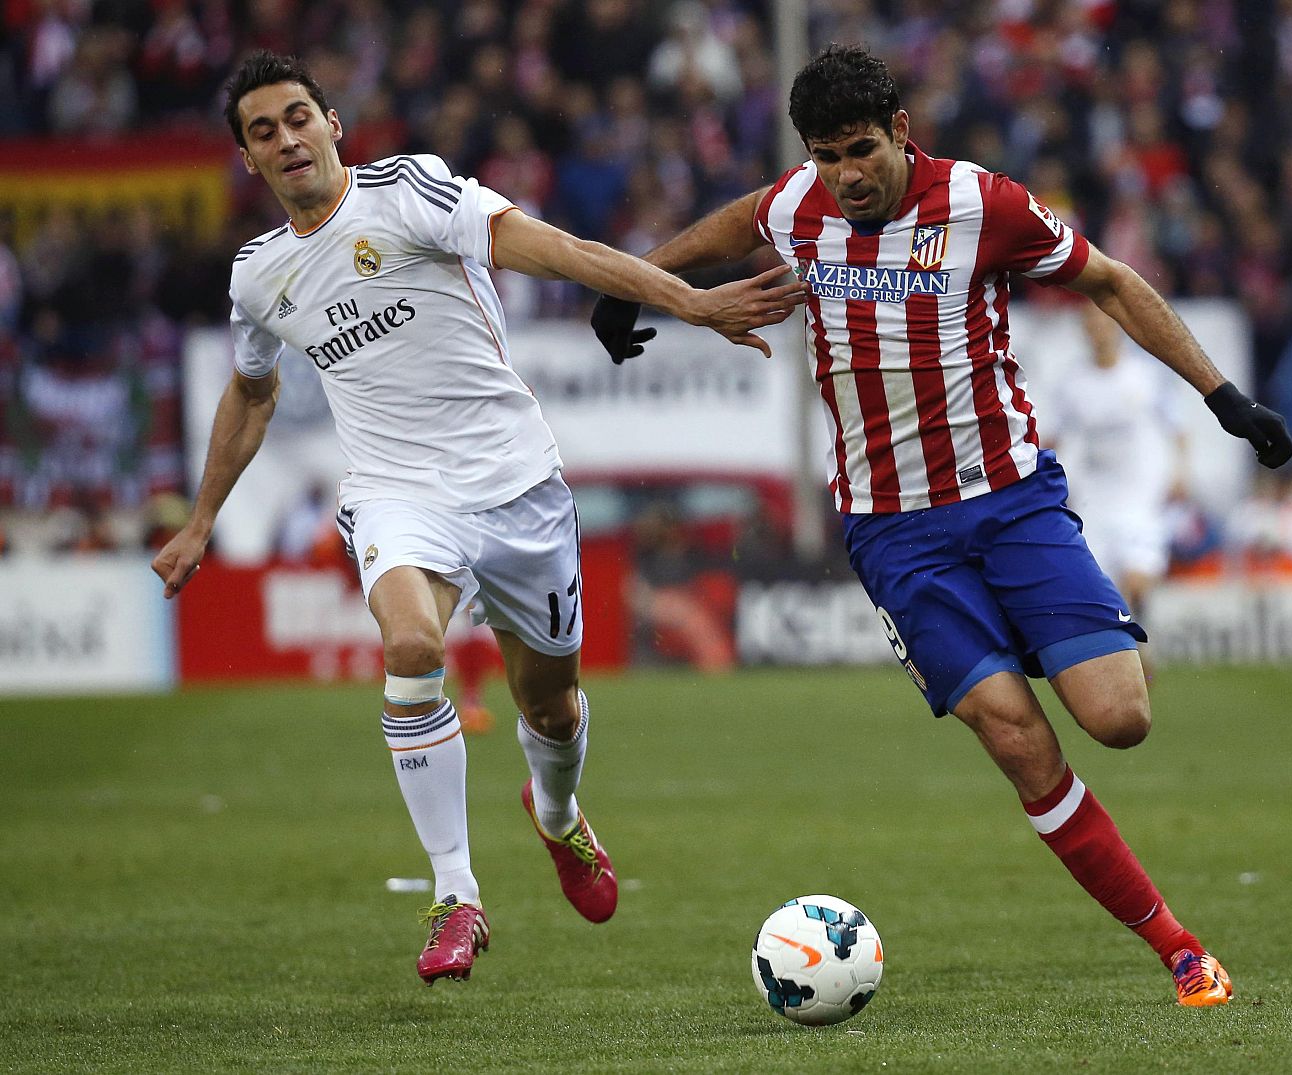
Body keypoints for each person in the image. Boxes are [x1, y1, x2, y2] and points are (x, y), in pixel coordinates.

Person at [591, 45, 1292, 1007]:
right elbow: (731, 222)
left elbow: (1114, 282)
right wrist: (637, 280)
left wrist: (1224, 399)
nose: (847, 173)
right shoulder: (798, 206)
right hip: (894, 536)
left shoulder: (981, 205)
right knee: (1016, 738)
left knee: (1120, 718)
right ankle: (1177, 947)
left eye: (863, 150)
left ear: (902, 133)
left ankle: (1040, 637)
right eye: (828, 154)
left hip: (1011, 503)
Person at [151, 50, 805, 985]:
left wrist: (687, 301)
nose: (285, 138)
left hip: (518, 487)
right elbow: (252, 394)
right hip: (395, 493)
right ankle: (455, 893)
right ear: (249, 162)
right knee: (412, 648)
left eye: (298, 117)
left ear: (333, 124)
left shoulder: (412, 194)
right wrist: (202, 517)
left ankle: (556, 813)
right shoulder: (259, 276)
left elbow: (563, 250)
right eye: (262, 131)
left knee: (550, 705)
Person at [1042, 302, 1186, 627]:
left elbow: (1177, 428)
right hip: (1095, 499)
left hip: (1142, 495)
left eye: (1104, 322)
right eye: (1090, 323)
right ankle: (1131, 651)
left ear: (1117, 325)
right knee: (1101, 592)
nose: (1098, 330)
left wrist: (1181, 472)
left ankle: (1137, 643)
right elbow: (1054, 438)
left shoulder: (1146, 375)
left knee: (1137, 579)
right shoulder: (1072, 383)